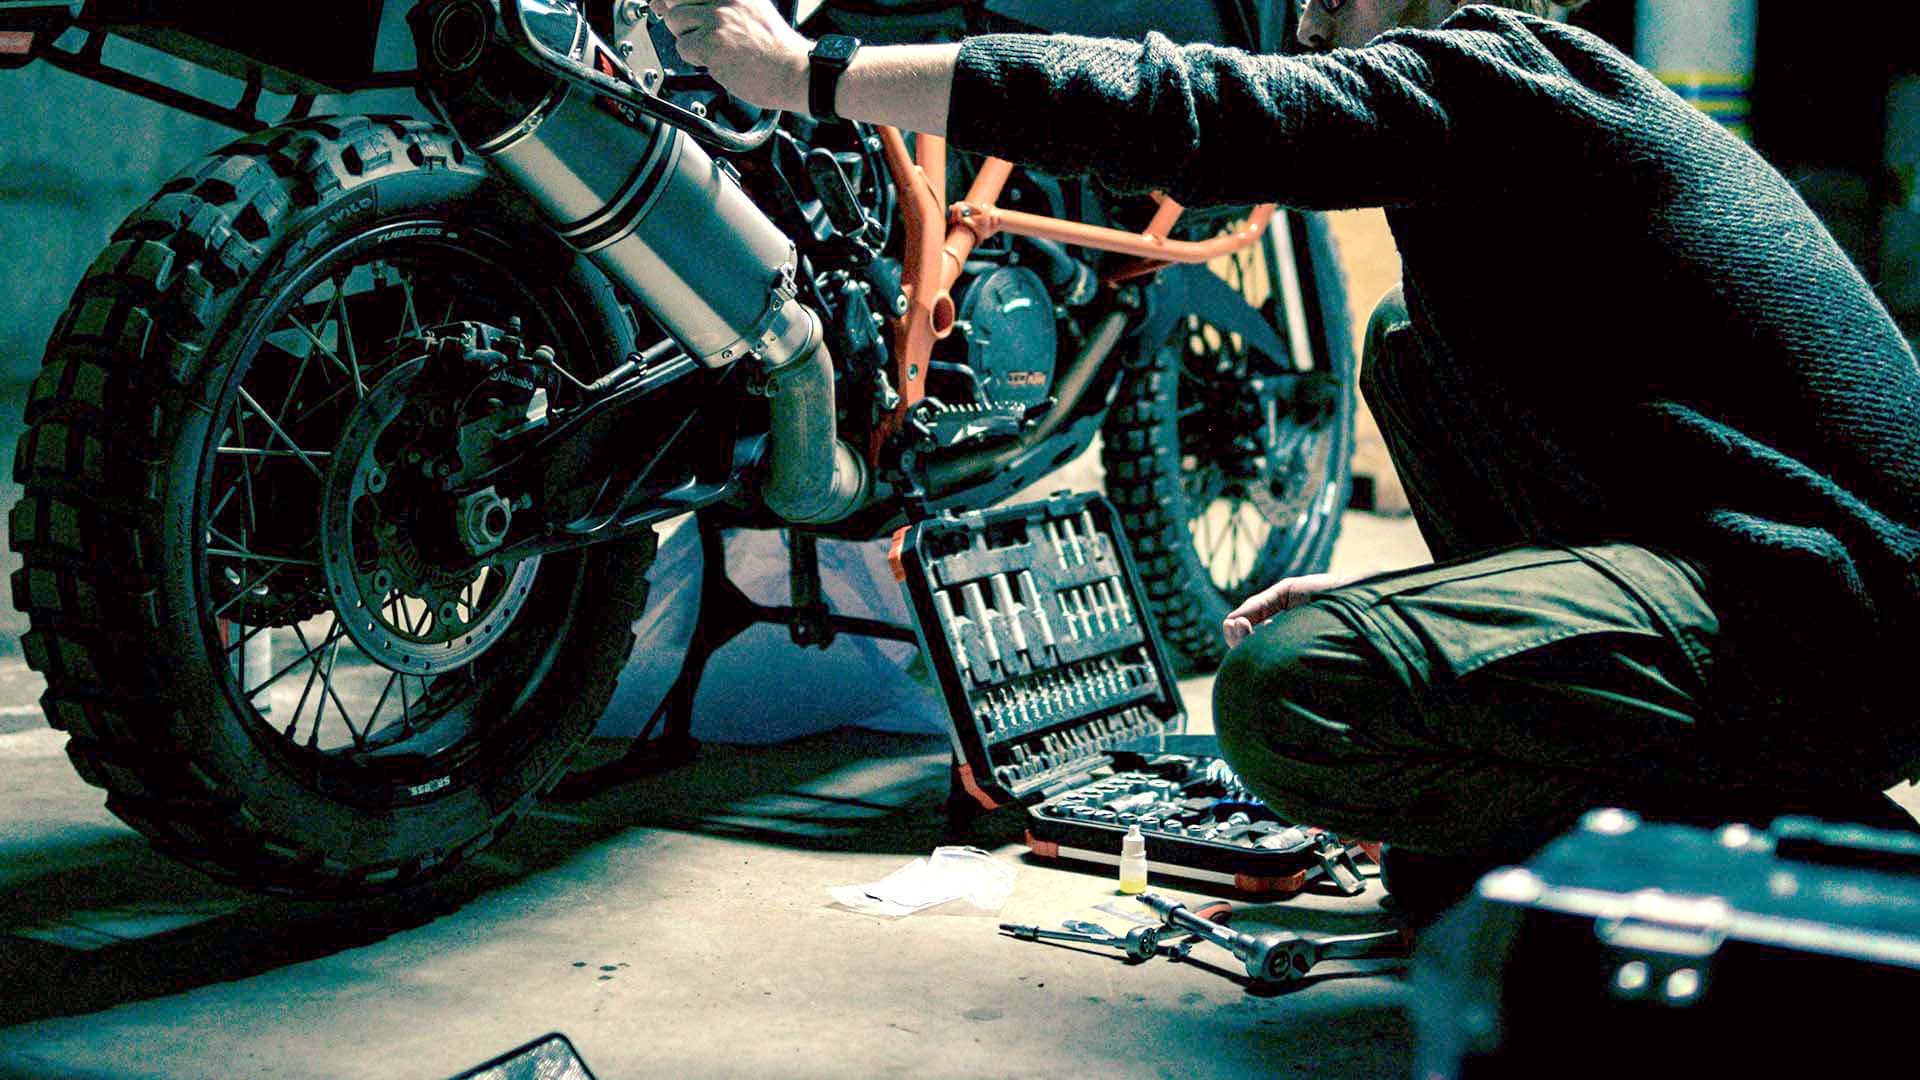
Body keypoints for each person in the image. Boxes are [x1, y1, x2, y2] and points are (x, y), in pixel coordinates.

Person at [651, 0, 1920, 915]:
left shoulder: (1512, 78)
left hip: (1835, 626)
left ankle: (1799, 838)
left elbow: (1202, 111)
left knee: (1293, 695)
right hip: (1766, 590)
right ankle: (1648, 810)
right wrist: (1441, 610)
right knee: (1407, 340)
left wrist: (810, 71)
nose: (1308, 17)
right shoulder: (1516, 128)